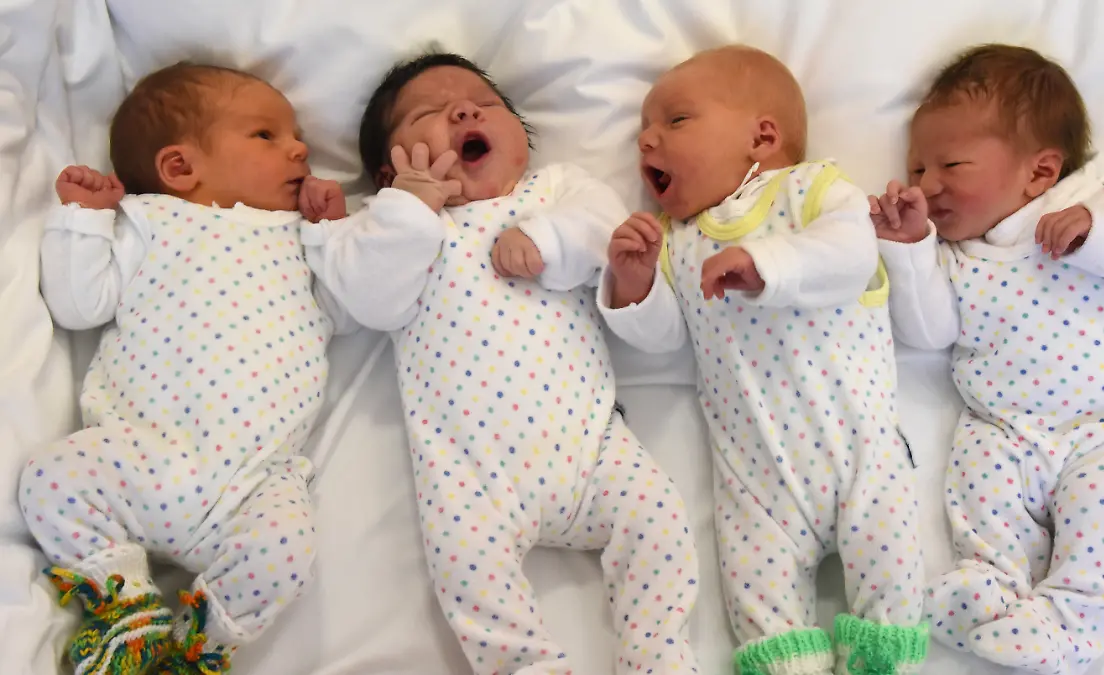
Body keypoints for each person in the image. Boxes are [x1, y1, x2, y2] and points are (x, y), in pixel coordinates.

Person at [306, 51, 700, 674]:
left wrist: (546, 239)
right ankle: (528, 665)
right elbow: (369, 301)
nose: (463, 110)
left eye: (484, 104)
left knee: (660, 524)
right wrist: (408, 208)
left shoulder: (554, 191)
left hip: (591, 448)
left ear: (521, 141)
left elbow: (598, 225)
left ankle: (658, 654)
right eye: (430, 114)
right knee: (466, 574)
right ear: (388, 171)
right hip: (472, 475)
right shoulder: (388, 228)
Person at [870, 44, 1104, 674]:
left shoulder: (1098, 204)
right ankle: (991, 584)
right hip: (1009, 430)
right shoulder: (952, 254)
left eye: (951, 164)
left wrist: (1102, 236)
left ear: (1040, 173)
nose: (926, 185)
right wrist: (909, 252)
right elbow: (929, 333)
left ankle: (1075, 628)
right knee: (980, 473)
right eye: (916, 168)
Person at [600, 45, 929, 675]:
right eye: (643, 130)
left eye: (674, 121)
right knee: (758, 599)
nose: (646, 141)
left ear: (763, 136)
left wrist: (766, 264)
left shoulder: (810, 190)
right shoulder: (676, 240)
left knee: (891, 571)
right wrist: (634, 284)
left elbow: (851, 254)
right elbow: (667, 339)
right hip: (756, 481)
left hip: (860, 451)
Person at [19, 62, 354, 675]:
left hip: (252, 480)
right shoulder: (150, 224)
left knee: (285, 554)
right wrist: (84, 219)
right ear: (180, 167)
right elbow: (76, 305)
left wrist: (334, 236)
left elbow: (346, 313)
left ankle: (198, 648)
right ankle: (124, 611)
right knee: (52, 477)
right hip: (145, 447)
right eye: (267, 136)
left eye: (295, 135)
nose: (300, 147)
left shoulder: (298, 237)